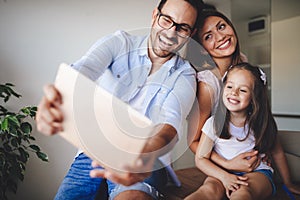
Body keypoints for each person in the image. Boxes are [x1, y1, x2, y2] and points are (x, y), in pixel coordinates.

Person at [36, 0, 203, 199]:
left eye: (182, 27)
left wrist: (144, 153)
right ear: (154, 16)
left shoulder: (185, 74)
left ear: (191, 34)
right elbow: (81, 72)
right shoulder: (119, 43)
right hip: (93, 152)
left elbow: (170, 125)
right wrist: (55, 98)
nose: (171, 32)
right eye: (166, 20)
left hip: (146, 157)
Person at [186, 9, 300, 198]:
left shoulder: (242, 61)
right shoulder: (207, 85)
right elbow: (194, 142)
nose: (221, 36)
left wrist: (263, 149)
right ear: (202, 49)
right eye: (209, 36)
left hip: (253, 141)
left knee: (285, 145)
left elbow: (262, 116)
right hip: (226, 156)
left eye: (221, 26)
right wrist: (228, 165)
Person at [186, 63, 296, 200]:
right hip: (222, 173)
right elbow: (201, 158)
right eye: (230, 86)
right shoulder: (213, 123)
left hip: (258, 172)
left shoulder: (262, 124)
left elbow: (277, 153)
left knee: (243, 192)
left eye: (243, 90)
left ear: (254, 97)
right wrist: (224, 177)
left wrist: (288, 183)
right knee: (208, 190)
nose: (234, 92)